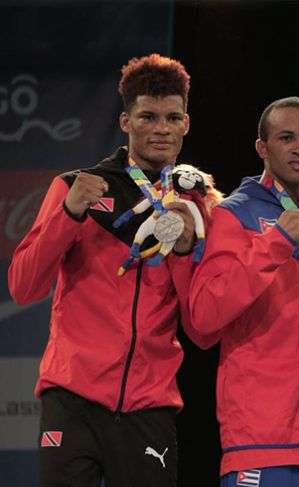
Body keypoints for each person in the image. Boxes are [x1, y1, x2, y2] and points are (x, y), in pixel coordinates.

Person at [8, 53, 213, 487]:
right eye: (148, 116)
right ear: (125, 122)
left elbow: (202, 324)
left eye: (172, 117)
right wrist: (69, 214)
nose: (160, 128)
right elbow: (24, 286)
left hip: (148, 406)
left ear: (186, 124)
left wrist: (184, 249)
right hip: (73, 398)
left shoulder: (201, 204)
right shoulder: (75, 187)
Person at [189, 97, 299, 487]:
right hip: (259, 443)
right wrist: (275, 241)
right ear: (262, 147)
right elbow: (204, 316)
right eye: (287, 138)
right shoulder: (233, 214)